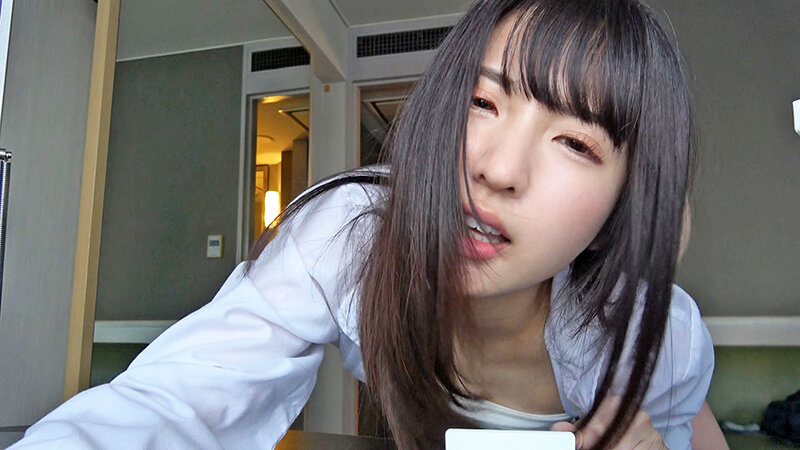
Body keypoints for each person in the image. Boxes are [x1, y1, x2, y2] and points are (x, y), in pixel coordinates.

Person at [12, 0, 726, 448]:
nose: (499, 168)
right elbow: (176, 405)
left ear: (622, 204)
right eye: (481, 102)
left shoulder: (661, 337)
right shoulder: (350, 237)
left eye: (575, 143)